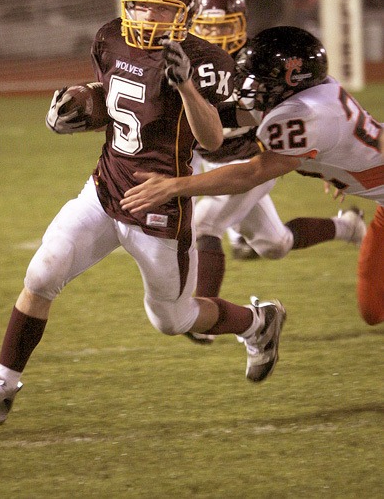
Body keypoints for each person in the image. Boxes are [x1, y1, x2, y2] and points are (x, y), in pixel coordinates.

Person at [0, 0, 287, 426]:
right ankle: (2, 386)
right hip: (105, 189)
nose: (148, 18)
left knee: (172, 319)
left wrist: (186, 85)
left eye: (161, 10)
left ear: (184, 15)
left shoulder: (208, 60)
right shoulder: (110, 37)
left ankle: (258, 322)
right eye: (140, 7)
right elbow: (116, 100)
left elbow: (210, 139)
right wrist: (76, 106)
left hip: (159, 204)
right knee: (42, 273)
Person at [120, 25, 384, 327]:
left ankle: (206, 322)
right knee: (372, 311)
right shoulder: (309, 97)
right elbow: (237, 115)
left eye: (260, 81)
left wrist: (172, 187)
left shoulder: (305, 115)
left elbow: (251, 173)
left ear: (292, 82)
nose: (248, 87)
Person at [185, 0, 366, 344]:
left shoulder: (258, 61)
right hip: (214, 162)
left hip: (255, 162)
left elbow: (317, 104)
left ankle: (202, 316)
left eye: (226, 26)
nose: (217, 35)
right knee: (274, 244)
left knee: (204, 224)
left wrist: (330, 159)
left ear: (242, 24)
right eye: (208, 26)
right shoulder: (186, 58)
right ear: (193, 25)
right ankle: (347, 228)